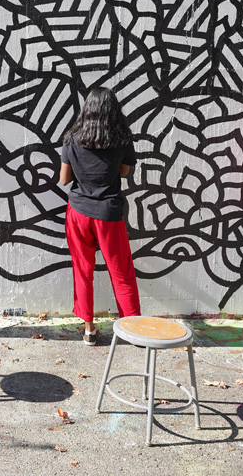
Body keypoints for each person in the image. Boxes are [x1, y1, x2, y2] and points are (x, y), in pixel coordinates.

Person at [59, 87, 141, 346]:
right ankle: (133, 328)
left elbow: (64, 180)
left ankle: (89, 330)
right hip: (109, 214)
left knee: (83, 271)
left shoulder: (72, 139)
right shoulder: (122, 139)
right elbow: (125, 172)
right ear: (112, 110)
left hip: (79, 213)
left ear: (87, 109)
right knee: (122, 272)